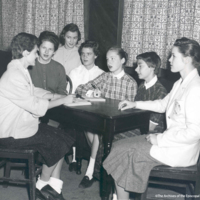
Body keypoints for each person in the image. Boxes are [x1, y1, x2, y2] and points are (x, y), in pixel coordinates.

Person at [103, 37, 200, 200]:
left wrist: (160, 139)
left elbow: (195, 132)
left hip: (179, 150)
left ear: (187, 59)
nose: (169, 59)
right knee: (118, 146)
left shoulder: (195, 88)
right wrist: (135, 104)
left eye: (173, 56)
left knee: (127, 152)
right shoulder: (180, 83)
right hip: (169, 143)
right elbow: (162, 104)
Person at [0, 32, 75, 200]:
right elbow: (35, 106)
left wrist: (55, 95)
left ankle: (53, 186)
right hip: (9, 134)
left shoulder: (19, 69)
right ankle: (42, 183)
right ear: (26, 53)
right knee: (56, 141)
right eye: (36, 51)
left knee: (64, 137)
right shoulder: (14, 75)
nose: (38, 55)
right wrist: (62, 99)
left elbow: (33, 91)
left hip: (19, 127)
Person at [75, 46, 138, 188]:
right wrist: (91, 93)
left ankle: (90, 173)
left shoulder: (130, 83)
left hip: (120, 124)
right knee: (92, 130)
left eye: (113, 58)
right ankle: (96, 170)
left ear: (122, 60)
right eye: (107, 59)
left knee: (98, 136)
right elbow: (80, 88)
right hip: (102, 120)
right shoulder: (105, 77)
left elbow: (130, 112)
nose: (109, 62)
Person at [114, 51, 167, 142]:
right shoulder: (142, 85)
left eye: (140, 66)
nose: (136, 69)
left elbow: (151, 127)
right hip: (137, 127)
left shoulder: (161, 91)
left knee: (114, 136)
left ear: (152, 67)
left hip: (150, 135)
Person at [67, 40, 104, 172]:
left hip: (93, 111)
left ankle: (92, 163)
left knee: (93, 129)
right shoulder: (75, 72)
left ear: (95, 56)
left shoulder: (101, 74)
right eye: (83, 54)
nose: (85, 57)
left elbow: (100, 98)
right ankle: (78, 158)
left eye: (89, 54)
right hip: (76, 110)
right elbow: (70, 93)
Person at [29, 31, 67, 95]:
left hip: (54, 102)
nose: (46, 52)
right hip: (34, 102)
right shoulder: (30, 66)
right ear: (38, 48)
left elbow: (62, 91)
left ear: (54, 51)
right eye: (44, 48)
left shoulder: (59, 68)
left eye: (50, 49)